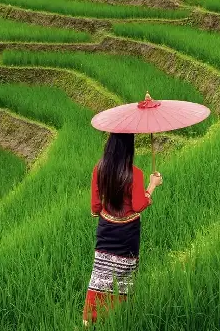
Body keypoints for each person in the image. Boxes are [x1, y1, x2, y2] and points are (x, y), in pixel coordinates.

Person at [82, 132, 163, 326]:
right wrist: (152, 186)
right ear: (129, 147)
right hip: (128, 232)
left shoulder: (99, 169)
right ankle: (119, 315)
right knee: (124, 274)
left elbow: (95, 205)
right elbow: (138, 205)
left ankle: (89, 319)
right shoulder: (134, 173)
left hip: (106, 229)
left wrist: (98, 213)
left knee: (100, 272)